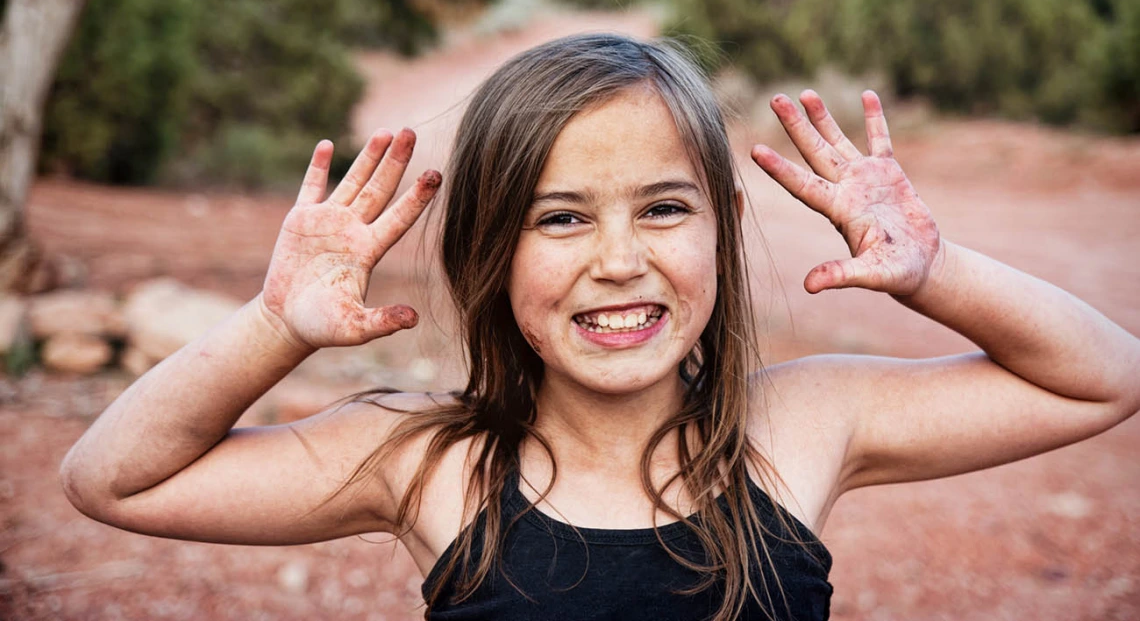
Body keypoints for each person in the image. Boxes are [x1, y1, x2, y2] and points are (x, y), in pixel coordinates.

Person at [60, 34, 1140, 621]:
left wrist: (936, 271)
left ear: (720, 230)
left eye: (664, 207)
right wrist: (272, 325)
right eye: (561, 217)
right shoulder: (427, 459)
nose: (619, 258)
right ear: (489, 248)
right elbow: (115, 478)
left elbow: (1101, 377)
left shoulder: (801, 424)